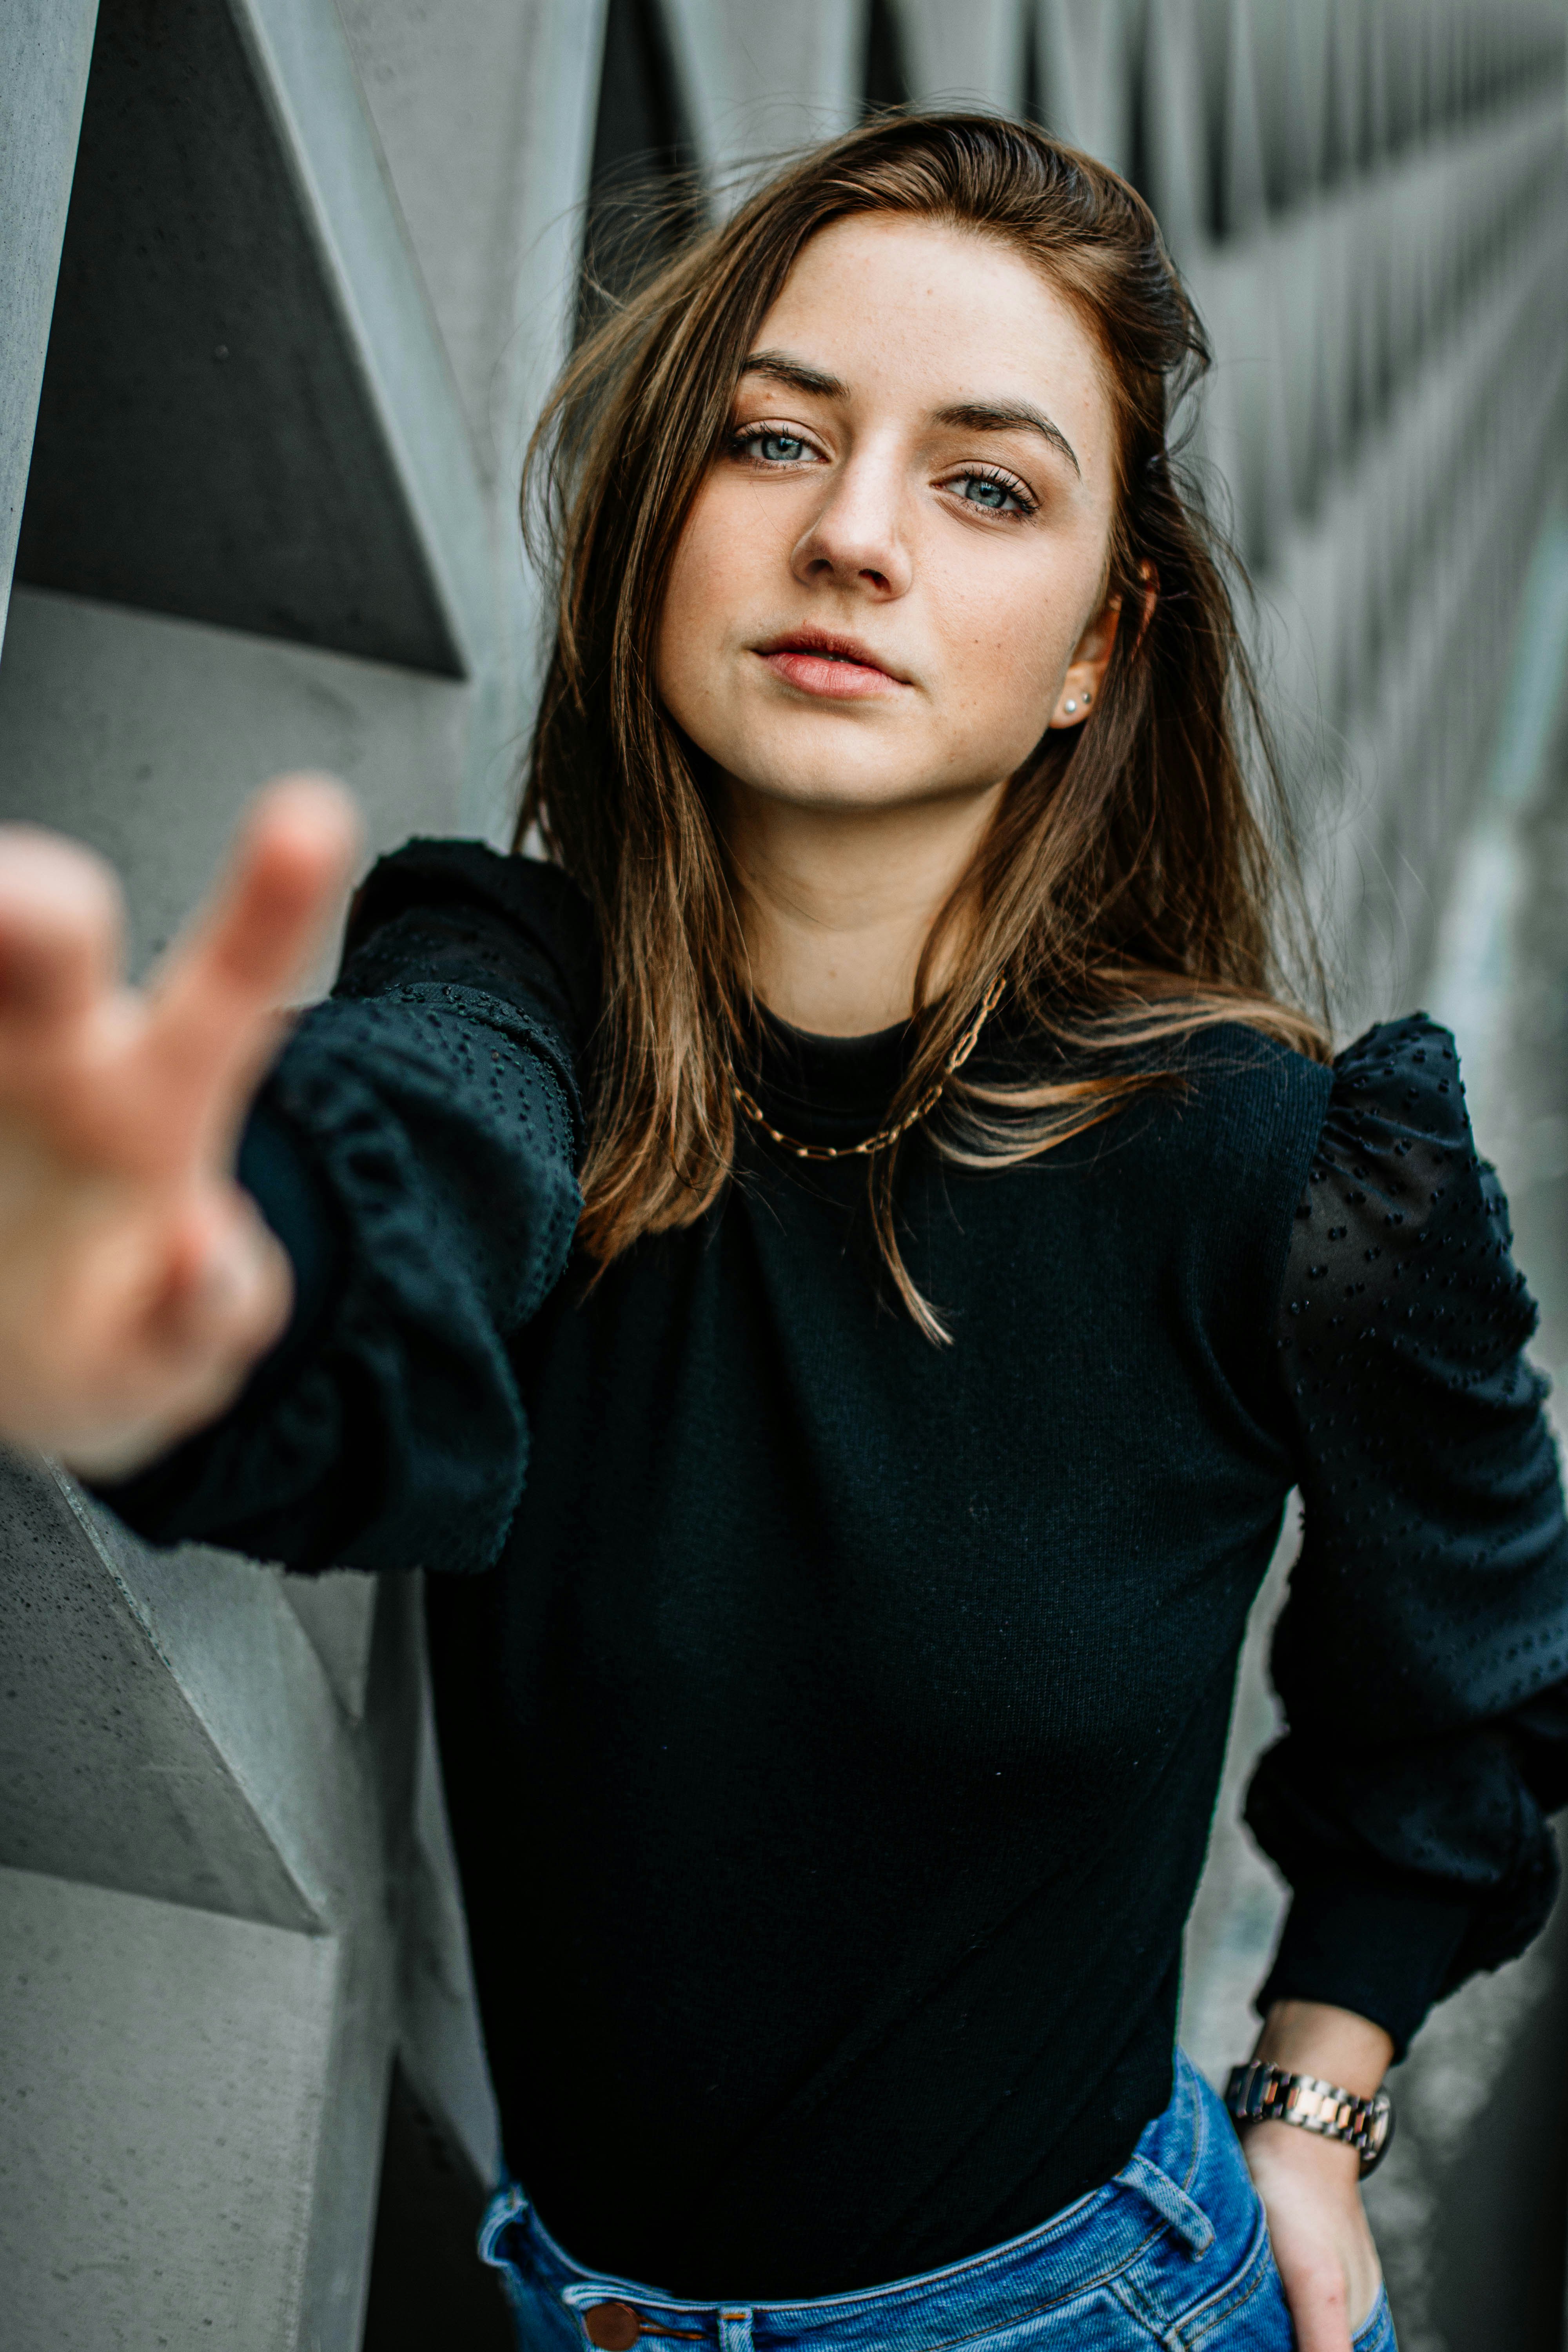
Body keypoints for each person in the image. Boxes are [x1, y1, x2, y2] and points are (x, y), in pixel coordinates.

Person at [0, 113, 1563, 2352]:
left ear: (1097, 649)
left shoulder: (1281, 1165)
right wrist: (200, 1285)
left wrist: (1318, 2107)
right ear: (661, 522)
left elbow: (1470, 1684)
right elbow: (405, 1168)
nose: (851, 534)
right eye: (773, 439)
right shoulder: (506, 994)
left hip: (1090, 2313)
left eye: (985, 486)